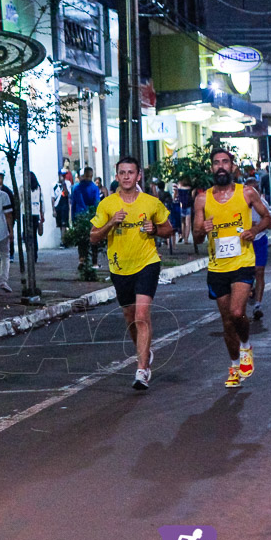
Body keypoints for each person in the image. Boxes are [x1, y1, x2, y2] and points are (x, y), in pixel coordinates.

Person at [89, 157, 173, 390]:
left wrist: (154, 229)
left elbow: (168, 229)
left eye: (131, 172)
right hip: (119, 266)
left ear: (138, 176)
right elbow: (93, 237)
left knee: (141, 315)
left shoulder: (151, 203)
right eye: (122, 173)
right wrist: (111, 224)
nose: (126, 176)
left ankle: (142, 369)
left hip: (147, 263)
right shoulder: (107, 205)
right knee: (129, 317)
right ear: (117, 177)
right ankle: (145, 351)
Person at [192, 149, 271, 388]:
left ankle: (246, 346)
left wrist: (254, 231)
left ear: (233, 167)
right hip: (217, 267)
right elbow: (196, 237)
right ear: (211, 169)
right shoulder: (202, 199)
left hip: (242, 263)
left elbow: (266, 218)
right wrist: (201, 230)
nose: (221, 167)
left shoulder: (247, 192)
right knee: (227, 322)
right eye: (216, 163)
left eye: (225, 162)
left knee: (238, 312)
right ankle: (235, 366)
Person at [243, 176, 270, 320]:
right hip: (245, 243)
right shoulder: (240, 204)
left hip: (259, 241)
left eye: (255, 189)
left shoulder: (263, 204)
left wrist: (257, 227)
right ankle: (249, 290)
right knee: (247, 273)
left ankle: (258, 305)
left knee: (259, 271)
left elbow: (270, 223)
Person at [0, 173, 17, 259]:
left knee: (8, 236)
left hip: (7, 217)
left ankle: (10, 254)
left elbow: (12, 206)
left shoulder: (7, 191)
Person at [28, 171, 45, 263]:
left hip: (26, 214)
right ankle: (34, 254)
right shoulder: (38, 188)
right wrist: (42, 214)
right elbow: (41, 202)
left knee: (28, 235)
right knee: (34, 236)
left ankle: (30, 254)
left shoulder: (23, 188)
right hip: (36, 213)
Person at [53, 173, 70, 241]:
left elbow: (67, 194)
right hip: (57, 205)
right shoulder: (54, 185)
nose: (63, 177)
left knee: (64, 223)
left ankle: (63, 240)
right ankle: (64, 237)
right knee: (60, 224)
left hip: (64, 205)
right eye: (61, 175)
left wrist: (64, 185)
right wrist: (53, 209)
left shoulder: (67, 183)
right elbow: (53, 197)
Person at [175, 177, 193, 243]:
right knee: (188, 223)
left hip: (181, 206)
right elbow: (192, 196)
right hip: (188, 206)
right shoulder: (190, 188)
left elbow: (177, 195)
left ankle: (182, 235)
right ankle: (186, 239)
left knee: (182, 222)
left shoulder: (179, 187)